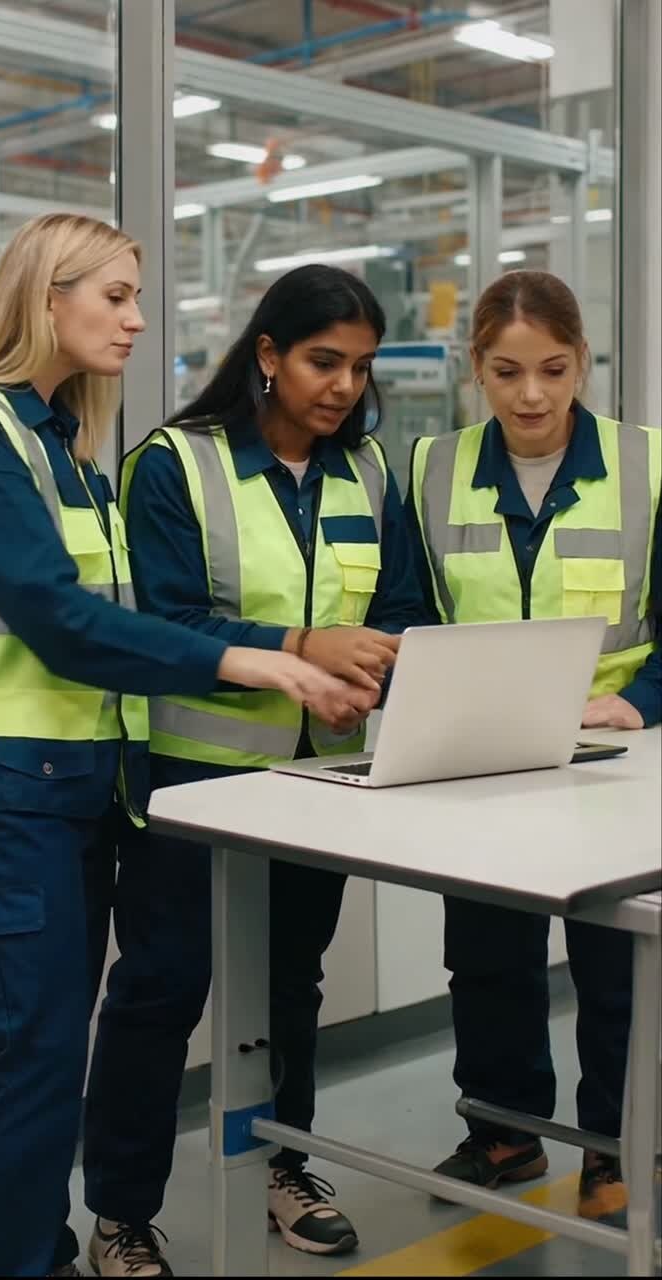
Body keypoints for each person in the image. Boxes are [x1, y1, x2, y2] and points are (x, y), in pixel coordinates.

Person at [0, 216, 373, 1279]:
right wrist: (255, 661)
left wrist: (267, 656)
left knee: (46, 1060)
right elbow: (56, 618)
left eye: (137, 296)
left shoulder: (63, 448)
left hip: (77, 791)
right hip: (6, 794)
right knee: (32, 1064)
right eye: (116, 296)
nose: (138, 320)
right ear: (48, 298)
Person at [82, 264, 429, 1273]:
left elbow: (401, 603)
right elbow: (160, 622)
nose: (344, 386)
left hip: (323, 785)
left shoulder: (368, 471)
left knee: (289, 984)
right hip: (192, 784)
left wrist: (383, 653)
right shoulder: (174, 466)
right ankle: (120, 1211)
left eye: (361, 368)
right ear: (268, 355)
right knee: (161, 987)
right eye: (325, 361)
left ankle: (285, 1162)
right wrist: (303, 642)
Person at [406, 269, 661, 1220]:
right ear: (476, 368)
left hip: (616, 763)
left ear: (583, 361)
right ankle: (504, 1135)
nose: (532, 396)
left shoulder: (649, 463)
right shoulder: (432, 465)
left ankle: (614, 1150)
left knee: (616, 966)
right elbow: (406, 608)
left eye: (554, 369)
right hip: (483, 761)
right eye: (507, 372)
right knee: (487, 958)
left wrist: (643, 701)